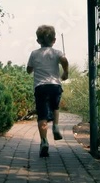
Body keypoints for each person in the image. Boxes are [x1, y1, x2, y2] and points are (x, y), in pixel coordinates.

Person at [26, 25, 69, 157]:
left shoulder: (34, 54)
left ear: (38, 41)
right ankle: (56, 126)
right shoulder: (57, 52)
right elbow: (64, 60)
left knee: (42, 115)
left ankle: (44, 141)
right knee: (55, 107)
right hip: (55, 85)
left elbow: (29, 70)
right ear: (54, 40)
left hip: (40, 87)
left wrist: (32, 68)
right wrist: (65, 71)